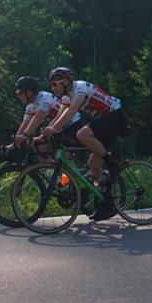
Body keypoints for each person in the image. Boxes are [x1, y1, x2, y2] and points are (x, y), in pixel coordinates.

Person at [41, 67, 128, 221]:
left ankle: (112, 163)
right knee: (93, 164)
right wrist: (47, 131)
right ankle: (106, 202)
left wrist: (54, 129)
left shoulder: (80, 88)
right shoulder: (67, 95)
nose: (53, 88)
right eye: (51, 85)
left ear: (66, 82)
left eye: (55, 85)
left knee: (82, 134)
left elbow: (73, 110)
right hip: (107, 120)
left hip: (115, 116)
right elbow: (61, 114)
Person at [6, 76, 81, 155]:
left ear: (29, 91)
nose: (18, 96)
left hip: (72, 124)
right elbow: (24, 124)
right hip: (56, 128)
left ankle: (65, 165)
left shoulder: (44, 97)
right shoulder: (30, 106)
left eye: (20, 93)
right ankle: (48, 166)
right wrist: (15, 143)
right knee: (36, 146)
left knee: (61, 154)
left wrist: (25, 135)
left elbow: (38, 117)